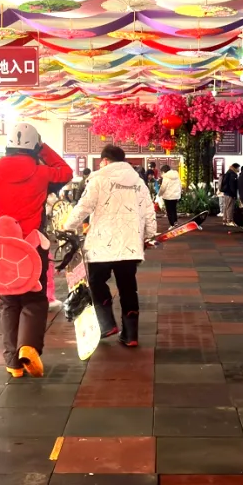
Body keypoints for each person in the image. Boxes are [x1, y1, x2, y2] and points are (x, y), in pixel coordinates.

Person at [0, 122, 72, 377]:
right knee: (34, 299)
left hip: (1, 248)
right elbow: (66, 172)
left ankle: (12, 362)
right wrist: (43, 148)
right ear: (34, 147)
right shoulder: (42, 173)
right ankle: (28, 346)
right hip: (33, 245)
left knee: (8, 301)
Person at [65, 145, 157, 347]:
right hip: (130, 244)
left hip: (101, 245)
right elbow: (148, 211)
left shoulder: (98, 179)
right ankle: (131, 335)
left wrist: (68, 227)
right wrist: (150, 235)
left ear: (104, 160)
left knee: (97, 282)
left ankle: (107, 323)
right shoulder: (138, 181)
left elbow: (83, 206)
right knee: (128, 287)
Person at [220, 163, 239, 227]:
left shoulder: (228, 172)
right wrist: (234, 194)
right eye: (238, 168)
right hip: (230, 193)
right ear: (235, 168)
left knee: (226, 206)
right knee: (230, 207)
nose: (238, 169)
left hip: (226, 193)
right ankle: (229, 220)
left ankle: (225, 220)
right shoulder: (232, 174)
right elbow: (232, 185)